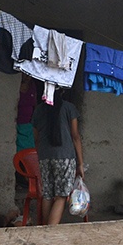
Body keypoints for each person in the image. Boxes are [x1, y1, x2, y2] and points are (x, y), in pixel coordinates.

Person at [31, 90, 84, 225]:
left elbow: (36, 139)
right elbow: (75, 136)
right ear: (63, 91)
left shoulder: (38, 110)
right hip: (65, 156)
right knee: (61, 196)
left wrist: (41, 156)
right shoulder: (69, 108)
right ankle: (51, 232)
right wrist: (81, 164)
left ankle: (45, 231)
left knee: (47, 194)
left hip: (44, 156)